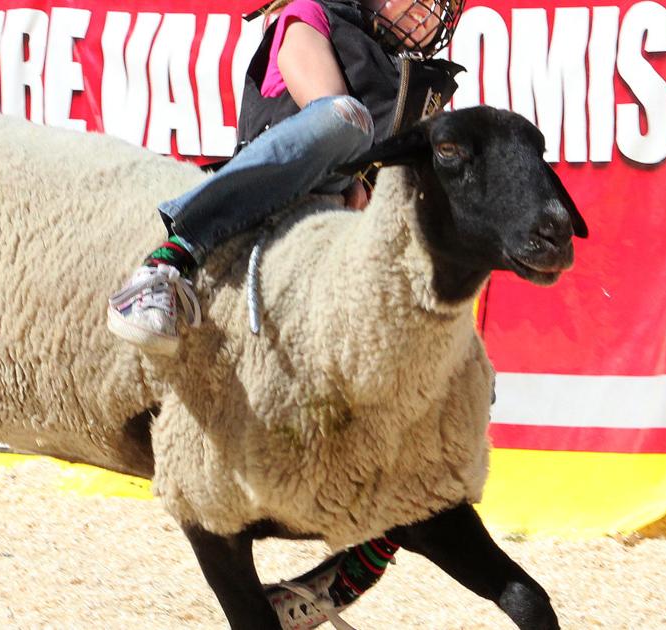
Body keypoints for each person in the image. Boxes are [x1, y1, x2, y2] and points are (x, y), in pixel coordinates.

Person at [108, 0, 465, 627]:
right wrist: (367, 176)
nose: (430, 10)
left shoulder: (409, 79)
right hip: (268, 213)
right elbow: (328, 114)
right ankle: (168, 260)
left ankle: (346, 572)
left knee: (442, 400)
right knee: (347, 119)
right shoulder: (306, 15)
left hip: (334, 245)